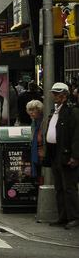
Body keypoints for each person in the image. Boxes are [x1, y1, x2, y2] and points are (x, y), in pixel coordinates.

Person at [43, 83, 79, 228]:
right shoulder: (55, 111)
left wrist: (75, 156)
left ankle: (74, 217)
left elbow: (76, 135)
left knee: (69, 187)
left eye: (58, 93)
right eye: (54, 93)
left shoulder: (72, 111)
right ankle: (63, 216)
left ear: (65, 94)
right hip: (55, 153)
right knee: (59, 187)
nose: (55, 96)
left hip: (66, 154)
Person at [28, 100, 44, 181]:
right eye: (29, 110)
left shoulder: (43, 122)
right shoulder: (34, 123)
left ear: (39, 110)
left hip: (42, 152)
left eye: (33, 110)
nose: (31, 112)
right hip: (36, 152)